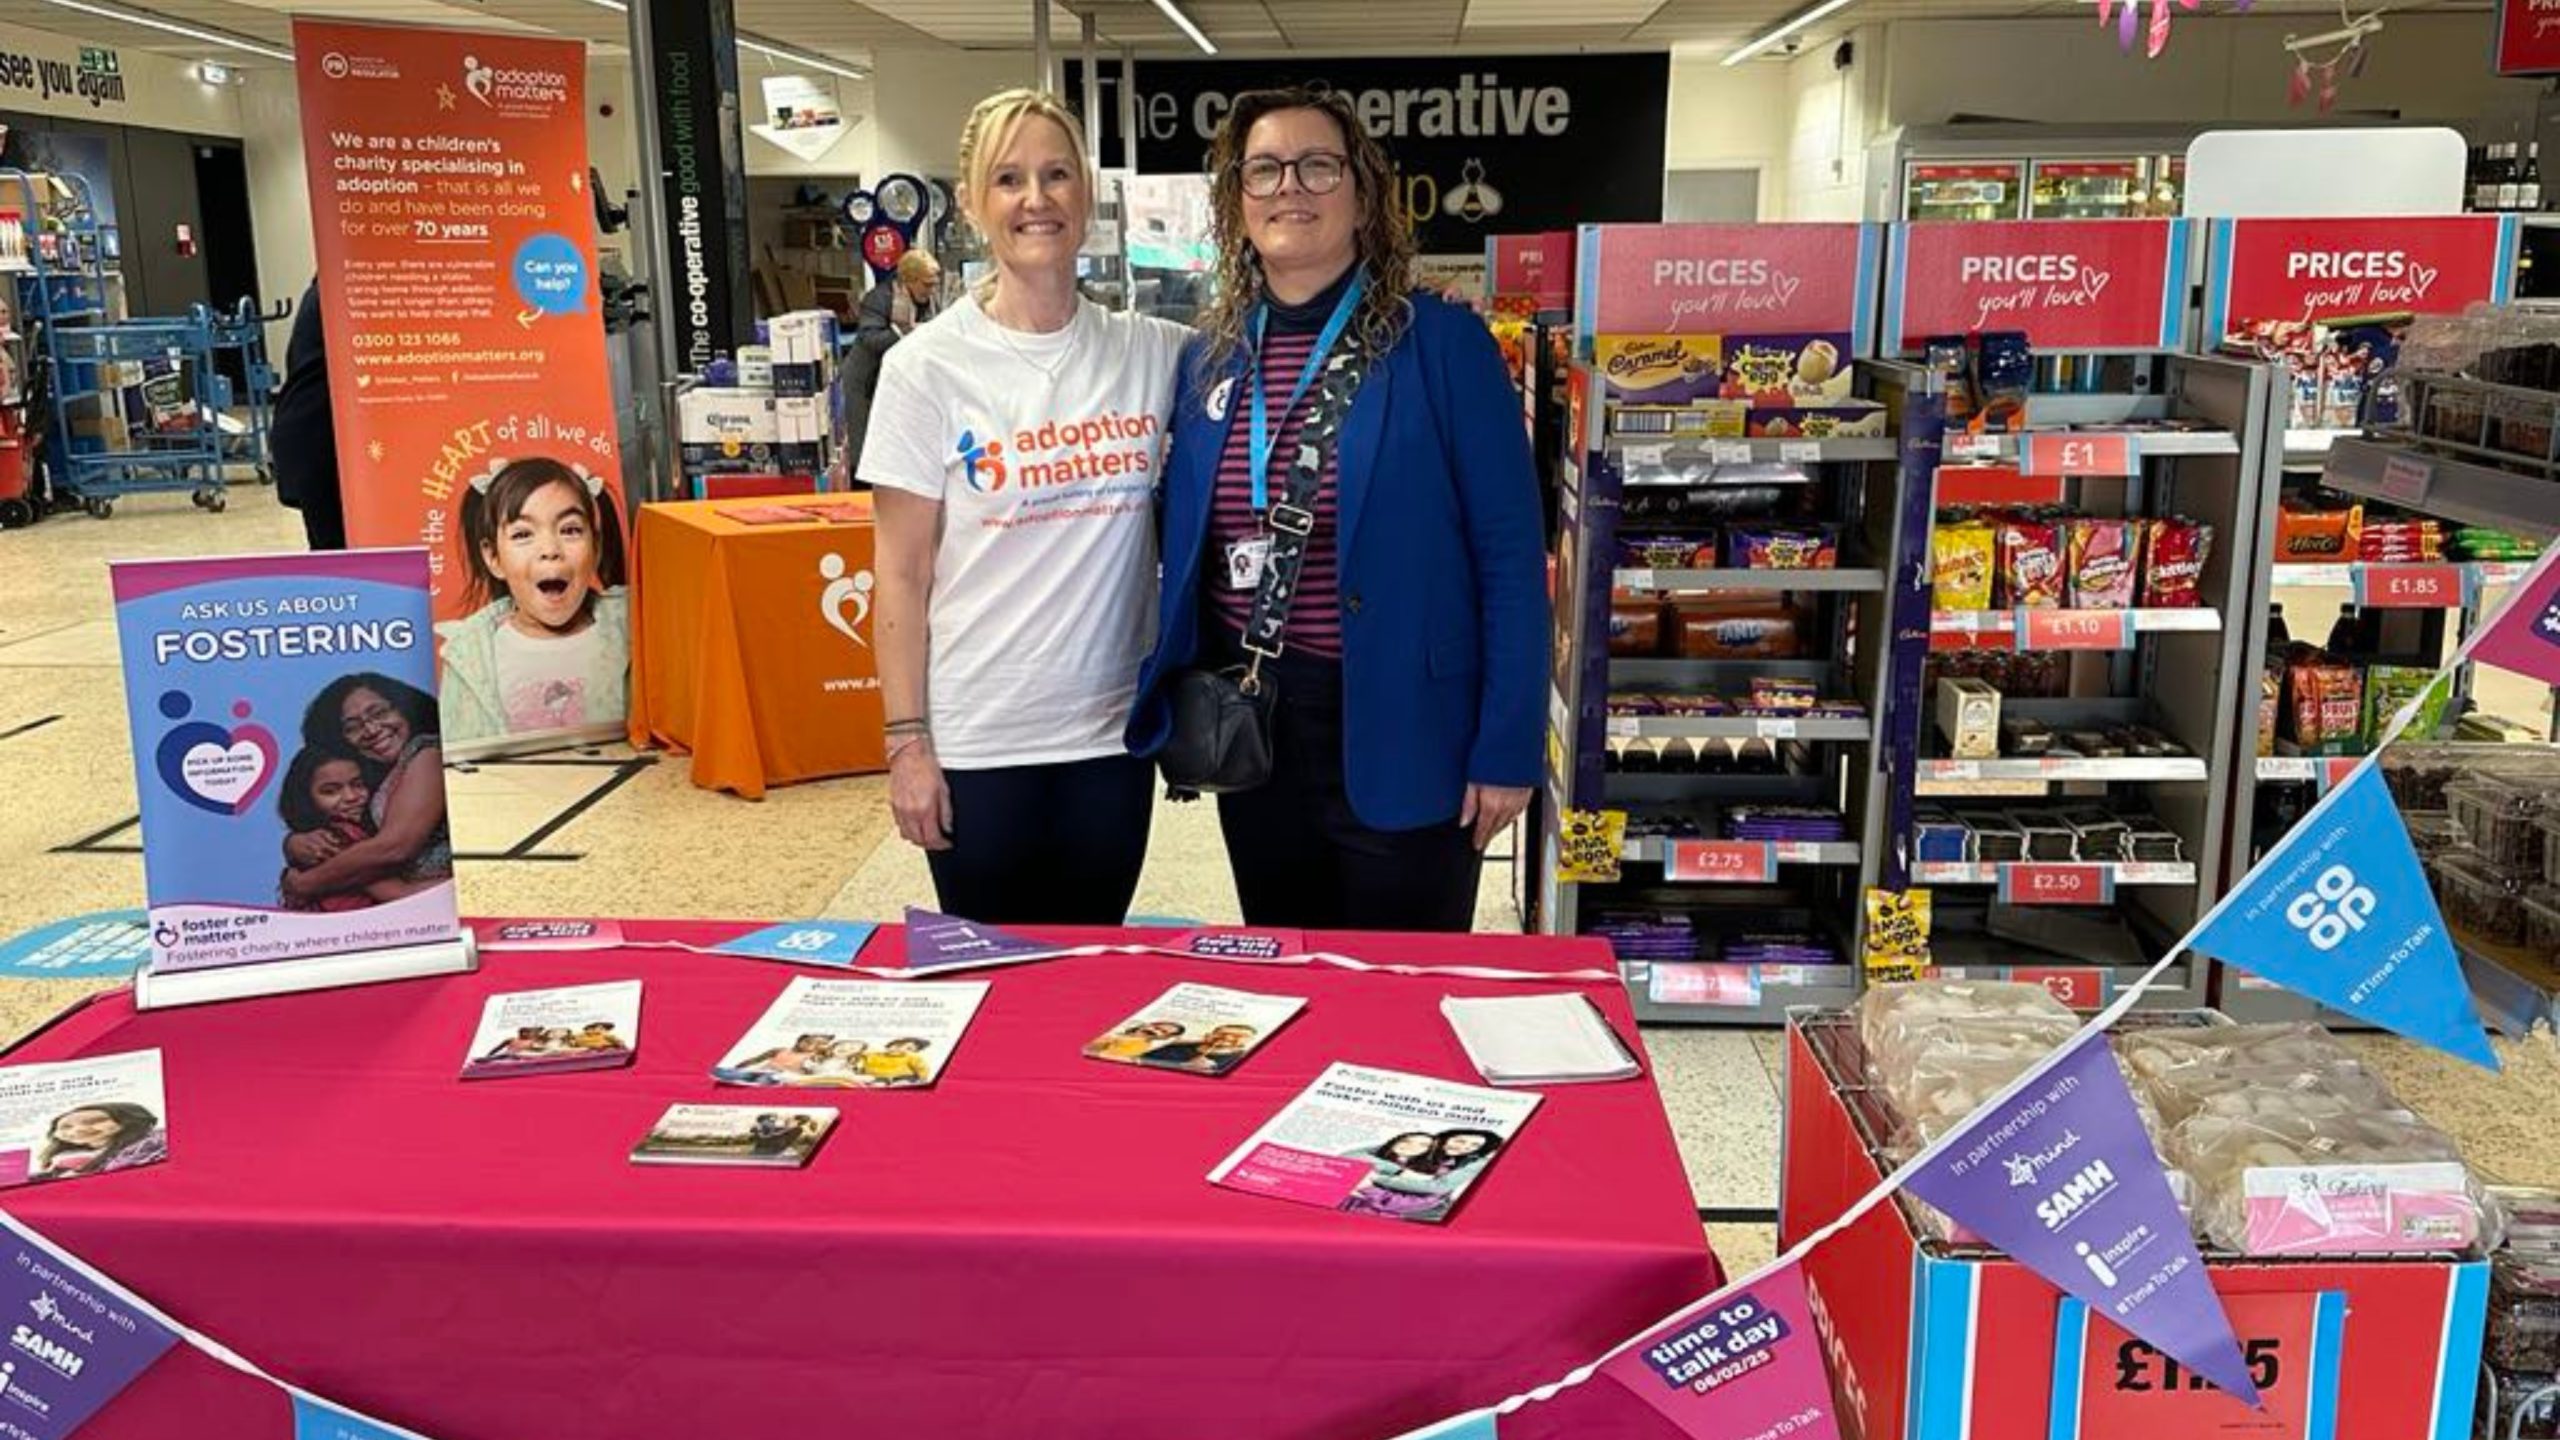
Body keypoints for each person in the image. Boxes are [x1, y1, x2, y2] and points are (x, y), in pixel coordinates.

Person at [1128, 87, 1546, 933]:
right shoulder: (1210, 360)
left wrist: (1508, 746)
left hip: (1411, 722)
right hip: (1258, 726)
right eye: (1265, 170)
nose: (1291, 187)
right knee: (1291, 963)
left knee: (1402, 979)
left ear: (1362, 193)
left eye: (1318, 165)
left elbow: (1511, 555)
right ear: (1238, 202)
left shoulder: (1443, 344)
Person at [859, 90, 1188, 925]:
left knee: (1088, 971)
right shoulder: (925, 369)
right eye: (1008, 179)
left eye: (1055, 175)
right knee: (992, 981)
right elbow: (900, 574)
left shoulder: (1152, 352)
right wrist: (906, 744)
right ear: (972, 204)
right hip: (980, 742)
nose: (1035, 199)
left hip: (1110, 741)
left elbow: (1278, 350)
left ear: (1087, 192)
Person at [435, 456, 631, 744]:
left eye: (570, 530)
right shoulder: (470, 656)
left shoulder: (631, 632)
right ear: (493, 558)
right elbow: (455, 754)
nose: (550, 549)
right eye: (523, 534)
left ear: (596, 549)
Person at [280, 674, 452, 904]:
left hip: (440, 900)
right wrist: (294, 843)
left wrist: (305, 883)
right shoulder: (374, 776)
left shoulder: (427, 754)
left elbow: (396, 847)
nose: (371, 729)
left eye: (379, 713)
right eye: (352, 727)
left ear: (404, 708)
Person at [274, 747, 414, 911]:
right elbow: (398, 894)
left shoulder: (357, 831)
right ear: (305, 799)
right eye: (330, 791)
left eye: (358, 784)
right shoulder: (329, 842)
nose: (351, 797)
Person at [845, 249, 942, 468]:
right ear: (909, 280)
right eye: (927, 285)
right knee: (866, 450)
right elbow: (870, 340)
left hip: (899, 380)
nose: (932, 290)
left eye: (935, 284)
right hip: (865, 382)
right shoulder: (878, 299)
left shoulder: (930, 302)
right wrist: (905, 330)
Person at [269, 278, 345, 551]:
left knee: (333, 548)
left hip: (309, 432)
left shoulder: (323, 291)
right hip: (317, 438)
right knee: (336, 549)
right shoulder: (336, 295)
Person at [32, 1104, 165, 1180]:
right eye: (65, 1127)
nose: (78, 1130)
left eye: (95, 1121)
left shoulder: (149, 1146)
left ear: (128, 1121)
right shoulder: (61, 1159)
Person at [1141, 1023, 1259, 1074]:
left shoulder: (1242, 1059)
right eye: (1221, 1033)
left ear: (1249, 1041)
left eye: (1238, 1036)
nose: (1227, 1037)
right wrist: (1181, 1066)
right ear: (1209, 1035)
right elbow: (1142, 1060)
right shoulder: (1177, 1045)